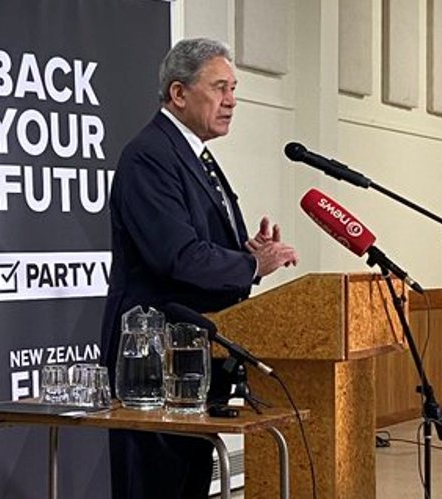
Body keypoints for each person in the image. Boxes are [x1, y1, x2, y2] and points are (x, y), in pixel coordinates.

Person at [100, 38, 299, 499]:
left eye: (234, 89)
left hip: (190, 357)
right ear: (178, 93)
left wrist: (245, 252)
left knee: (187, 485)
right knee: (154, 487)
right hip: (153, 359)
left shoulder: (193, 154)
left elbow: (197, 245)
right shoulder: (150, 155)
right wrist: (250, 264)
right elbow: (176, 256)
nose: (231, 101)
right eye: (219, 87)